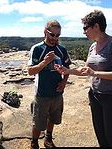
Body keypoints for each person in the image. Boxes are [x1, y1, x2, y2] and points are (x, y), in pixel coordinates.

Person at [54, 10, 112, 147]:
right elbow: (85, 70)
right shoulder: (93, 46)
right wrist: (67, 70)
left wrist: (95, 73)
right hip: (95, 95)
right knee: (100, 135)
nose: (84, 32)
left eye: (85, 28)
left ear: (96, 26)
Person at [26, 19, 71, 149]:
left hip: (57, 92)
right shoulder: (37, 49)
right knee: (38, 122)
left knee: (53, 118)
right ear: (45, 32)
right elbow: (30, 71)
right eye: (52, 34)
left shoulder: (61, 49)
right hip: (42, 93)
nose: (55, 38)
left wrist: (64, 82)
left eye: (58, 35)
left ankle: (48, 138)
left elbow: (67, 68)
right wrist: (45, 62)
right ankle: (34, 142)